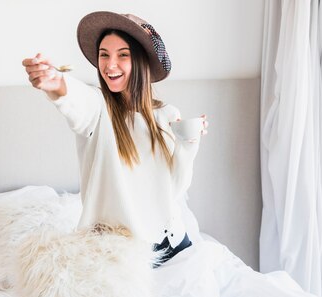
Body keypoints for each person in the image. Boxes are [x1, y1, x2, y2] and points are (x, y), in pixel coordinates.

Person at [22, 12, 207, 265]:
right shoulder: (99, 108)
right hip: (117, 255)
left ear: (140, 60)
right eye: (104, 54)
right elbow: (75, 100)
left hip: (172, 242)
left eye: (123, 55)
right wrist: (55, 81)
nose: (110, 65)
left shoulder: (168, 115)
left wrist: (189, 144)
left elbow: (174, 188)